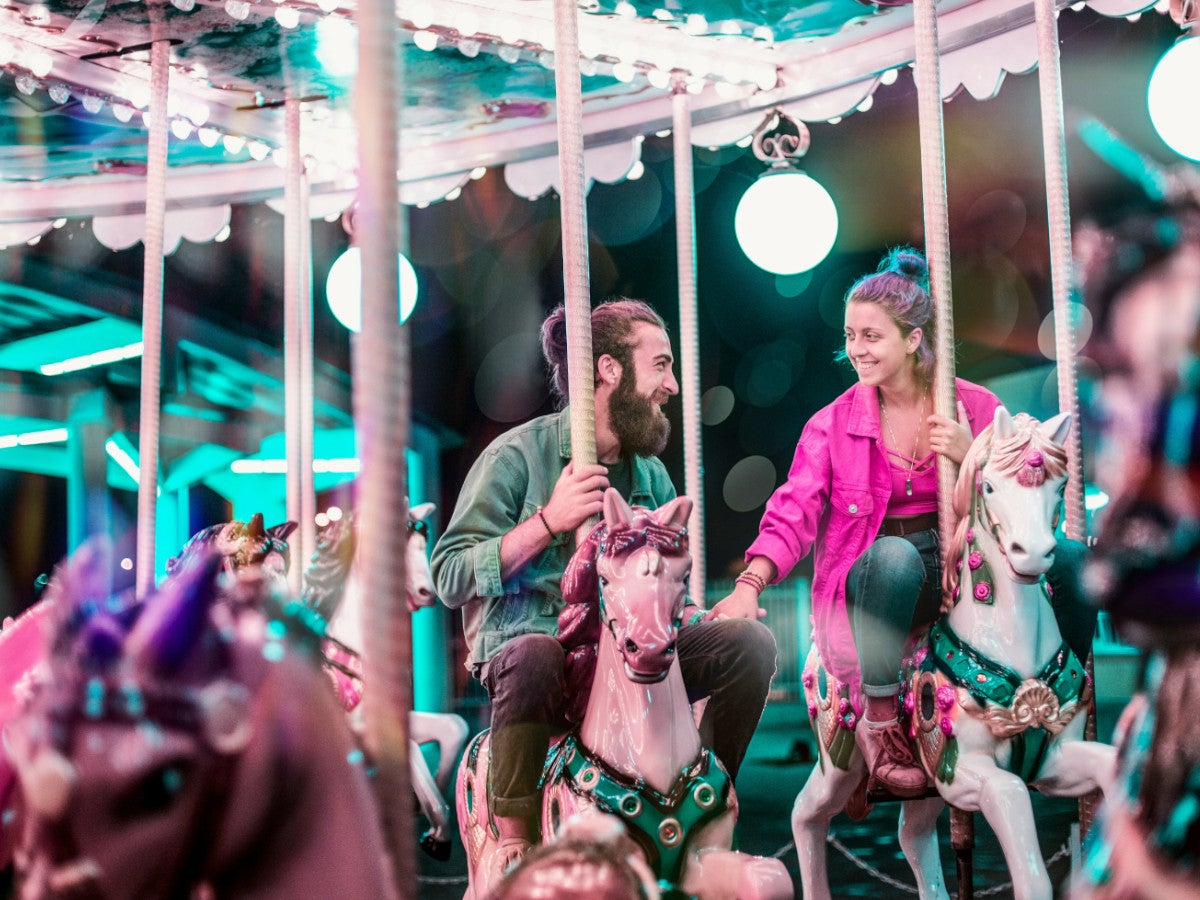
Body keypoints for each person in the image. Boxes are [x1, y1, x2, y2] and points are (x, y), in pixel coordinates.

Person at [713, 247, 1094, 797]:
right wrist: (751, 583)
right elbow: (793, 508)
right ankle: (881, 717)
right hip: (882, 581)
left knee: (1076, 560)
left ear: (913, 339)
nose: (855, 350)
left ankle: (1064, 694)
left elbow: (1027, 485)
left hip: (966, 561)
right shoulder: (832, 425)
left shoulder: (978, 407)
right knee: (895, 559)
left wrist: (972, 455)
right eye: (850, 336)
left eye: (871, 336)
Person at [431, 298, 777, 873]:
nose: (671, 384)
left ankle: (703, 799)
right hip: (541, 650)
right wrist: (547, 523)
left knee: (749, 645)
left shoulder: (651, 475)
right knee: (536, 654)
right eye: (661, 365)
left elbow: (665, 593)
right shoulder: (517, 456)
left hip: (629, 651)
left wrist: (696, 617)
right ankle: (514, 841)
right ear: (610, 369)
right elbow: (448, 575)